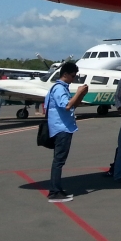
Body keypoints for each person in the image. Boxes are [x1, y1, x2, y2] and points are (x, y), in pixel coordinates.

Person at [45, 61, 89, 202]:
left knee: (59, 160)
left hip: (63, 127)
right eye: (72, 76)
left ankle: (56, 189)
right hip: (61, 128)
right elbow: (67, 105)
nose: (74, 78)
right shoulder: (59, 88)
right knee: (59, 161)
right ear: (65, 74)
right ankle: (54, 191)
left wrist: (80, 95)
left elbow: (72, 104)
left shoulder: (61, 88)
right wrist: (79, 92)